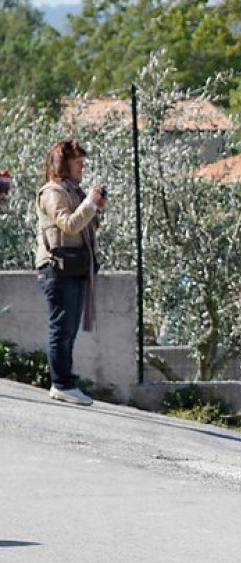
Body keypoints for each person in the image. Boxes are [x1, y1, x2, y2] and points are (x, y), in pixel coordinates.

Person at [35, 139, 107, 406]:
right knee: (62, 328)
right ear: (64, 164)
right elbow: (68, 225)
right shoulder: (52, 192)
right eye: (78, 163)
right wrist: (89, 203)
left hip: (73, 267)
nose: (82, 168)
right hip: (57, 268)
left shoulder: (72, 191)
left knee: (69, 328)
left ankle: (65, 380)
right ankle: (62, 383)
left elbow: (84, 226)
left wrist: (95, 207)